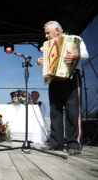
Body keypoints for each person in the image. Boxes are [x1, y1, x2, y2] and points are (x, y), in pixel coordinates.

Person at [36, 21, 89, 155]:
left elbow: (85, 54)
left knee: (73, 111)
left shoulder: (75, 39)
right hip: (54, 79)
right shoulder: (48, 46)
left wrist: (76, 55)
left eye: (48, 33)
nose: (46, 36)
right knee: (55, 112)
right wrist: (39, 62)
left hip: (71, 78)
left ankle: (74, 145)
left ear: (58, 31)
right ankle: (56, 143)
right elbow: (47, 63)